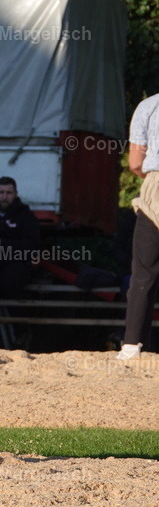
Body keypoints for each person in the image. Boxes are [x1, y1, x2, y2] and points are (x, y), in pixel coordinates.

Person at [117, 94, 159, 360]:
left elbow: (134, 163)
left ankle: (132, 345)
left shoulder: (149, 105)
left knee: (144, 272)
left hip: (156, 185)